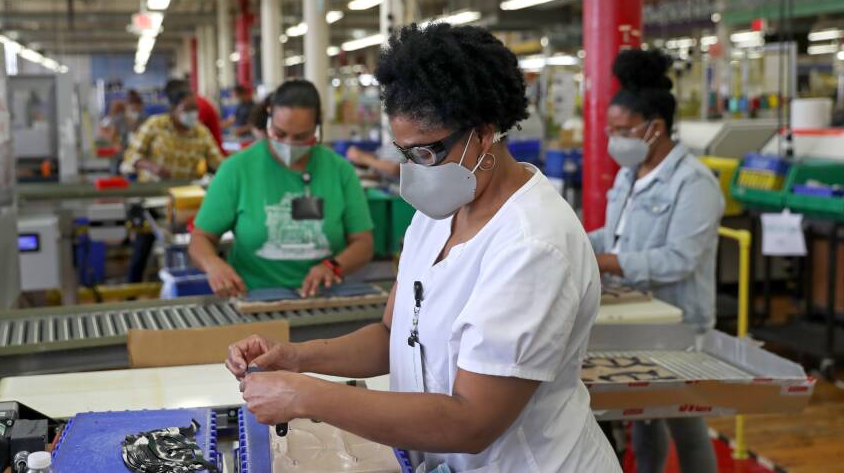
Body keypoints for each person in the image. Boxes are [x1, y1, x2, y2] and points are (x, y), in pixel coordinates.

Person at [223, 24, 620, 472]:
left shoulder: (532, 245)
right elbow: (391, 336)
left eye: (426, 153)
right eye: (405, 154)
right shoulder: (440, 212)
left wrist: (305, 395)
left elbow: (472, 422)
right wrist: (297, 358)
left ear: (484, 134)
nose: (415, 171)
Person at [588, 49, 724, 473]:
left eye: (623, 129)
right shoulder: (630, 175)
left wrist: (607, 262)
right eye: (611, 130)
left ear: (655, 128)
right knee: (641, 419)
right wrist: (569, 240)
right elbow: (614, 236)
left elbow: (679, 259)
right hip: (634, 316)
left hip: (679, 321)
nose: (615, 139)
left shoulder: (694, 183)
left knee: (686, 423)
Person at [189, 80, 374, 297]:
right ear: (268, 119)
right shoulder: (237, 169)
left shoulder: (340, 171)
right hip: (254, 295)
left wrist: (333, 266)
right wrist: (213, 264)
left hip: (324, 296)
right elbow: (200, 239)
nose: (288, 143)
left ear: (317, 127)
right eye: (279, 133)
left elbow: (363, 243)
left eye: (301, 137)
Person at [121, 79, 225, 282]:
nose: (192, 114)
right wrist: (153, 167)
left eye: (195, 109)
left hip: (186, 201)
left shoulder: (200, 132)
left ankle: (185, 286)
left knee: (192, 247)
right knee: (143, 248)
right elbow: (131, 156)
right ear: (174, 108)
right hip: (153, 199)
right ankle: (131, 291)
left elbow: (219, 163)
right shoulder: (155, 125)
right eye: (187, 109)